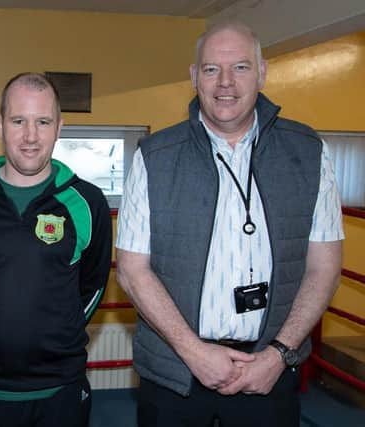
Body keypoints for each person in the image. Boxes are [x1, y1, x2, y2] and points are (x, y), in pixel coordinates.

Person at [116, 21, 344, 427]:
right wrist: (194, 353)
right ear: (193, 77)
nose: (225, 83)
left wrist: (279, 353)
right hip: (176, 374)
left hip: (269, 372)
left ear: (262, 72)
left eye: (240, 67)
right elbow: (133, 271)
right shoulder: (154, 156)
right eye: (210, 69)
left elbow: (323, 266)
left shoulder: (309, 152)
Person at [0, 72, 112, 427]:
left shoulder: (87, 202)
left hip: (59, 391)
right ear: (0, 124)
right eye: (18, 121)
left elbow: (94, 282)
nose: (31, 136)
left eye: (43, 121)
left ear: (59, 126)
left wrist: (56, 330)